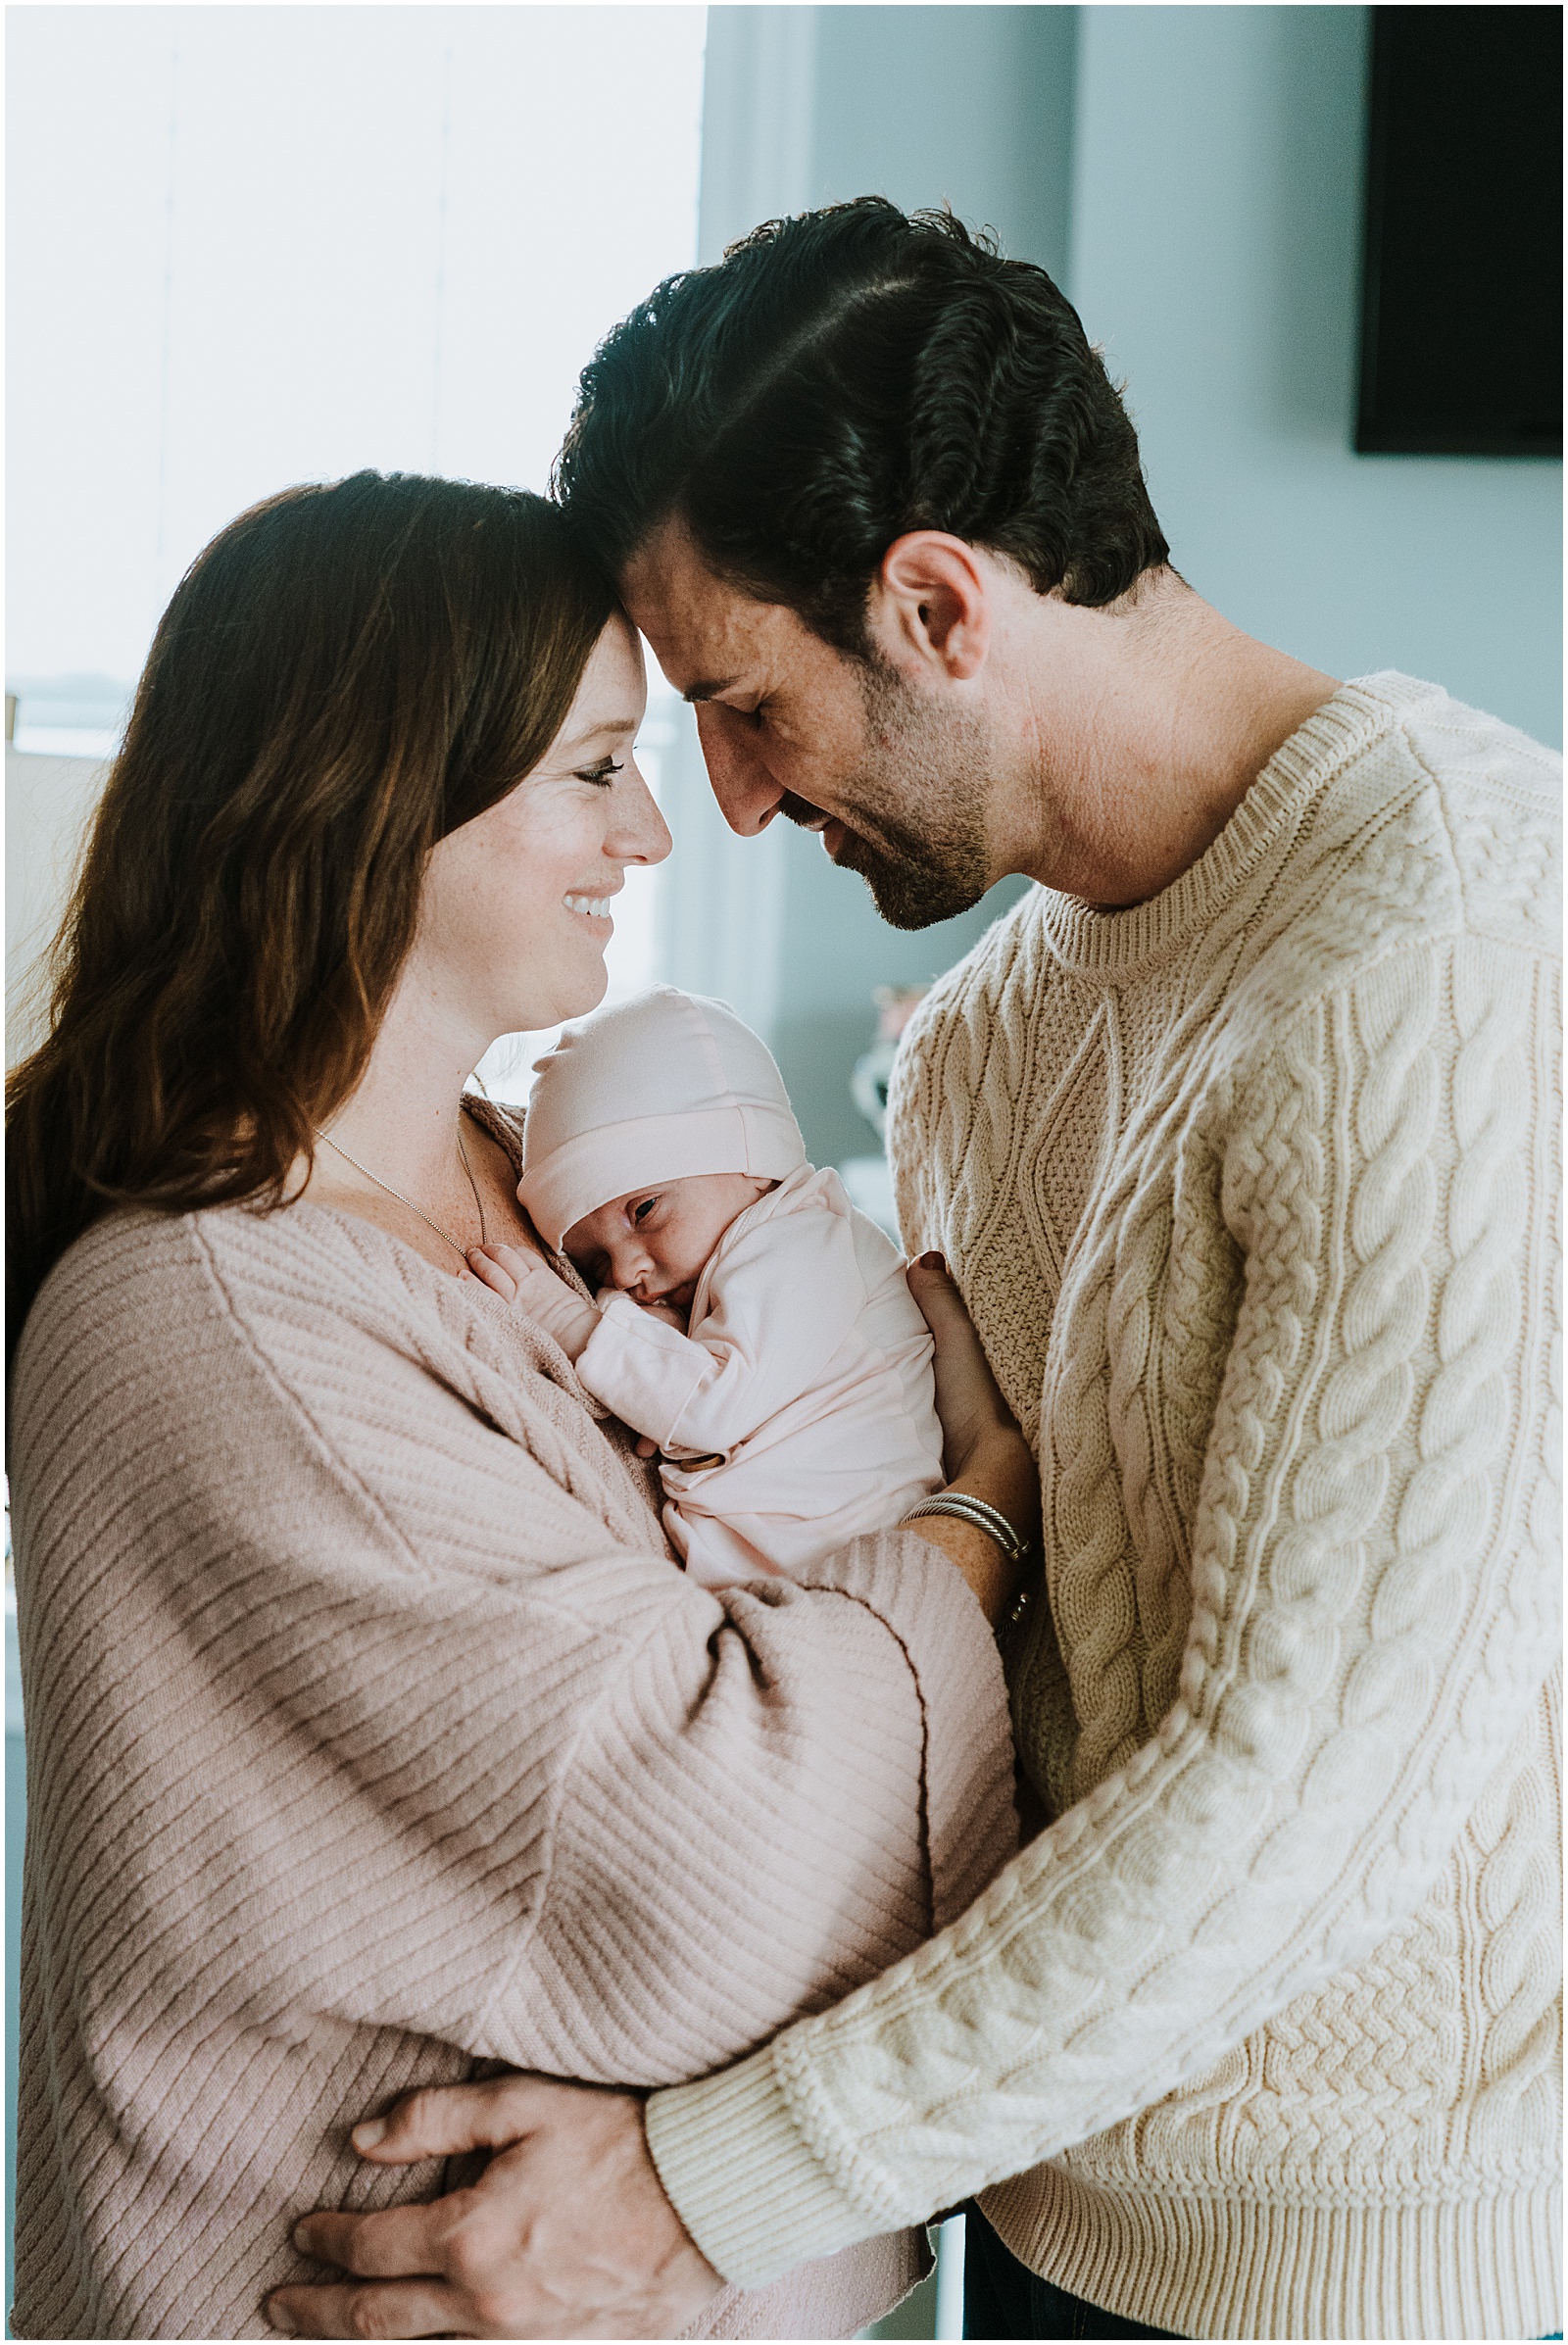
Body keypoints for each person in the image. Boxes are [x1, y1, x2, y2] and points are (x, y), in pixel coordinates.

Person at [275, 203, 1563, 2343]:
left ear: (937, 601)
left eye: (744, 705)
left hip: (1372, 2287)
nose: (737, 801)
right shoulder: (982, 1041)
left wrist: (684, 2188)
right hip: (1021, 2228)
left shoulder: (1441, 953)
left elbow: (1300, 1790)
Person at [4, 467, 1045, 2340]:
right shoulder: (213, 1315)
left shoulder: (541, 1202)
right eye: (592, 767)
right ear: (375, 787)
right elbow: (710, 1849)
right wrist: (971, 1527)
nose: (649, 831)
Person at [469, 983, 946, 1587]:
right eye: (593, 1266)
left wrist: (578, 1325)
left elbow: (713, 1407)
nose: (624, 1275)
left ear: (751, 1159)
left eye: (643, 1212)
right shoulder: (738, 1262)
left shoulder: (801, 1242)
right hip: (787, 1572)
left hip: (851, 1557)